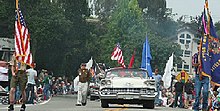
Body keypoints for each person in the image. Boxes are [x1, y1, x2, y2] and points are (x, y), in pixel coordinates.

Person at [192, 46, 210, 111]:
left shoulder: (207, 56)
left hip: (205, 76)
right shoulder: (196, 55)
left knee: (205, 92)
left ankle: (204, 107)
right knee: (197, 93)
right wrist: (199, 63)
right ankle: (196, 107)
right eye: (199, 48)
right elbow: (193, 64)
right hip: (198, 76)